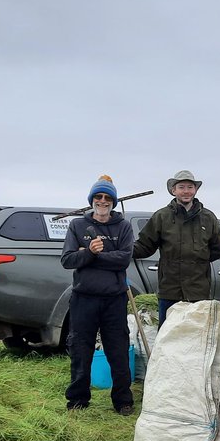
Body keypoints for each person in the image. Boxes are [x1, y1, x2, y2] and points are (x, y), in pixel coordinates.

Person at [60, 175, 135, 414]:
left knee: (118, 350)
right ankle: (77, 400)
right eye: (98, 197)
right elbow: (68, 260)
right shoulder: (77, 226)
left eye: (107, 198)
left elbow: (124, 259)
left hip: (114, 298)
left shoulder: (123, 226)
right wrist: (88, 253)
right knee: (81, 349)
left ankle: (123, 401)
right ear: (92, 199)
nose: (102, 201)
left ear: (113, 202)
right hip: (84, 298)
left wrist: (93, 256)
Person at [133, 169, 220, 325]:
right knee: (167, 336)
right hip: (170, 290)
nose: (186, 191)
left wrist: (196, 262)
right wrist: (120, 249)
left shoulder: (208, 218)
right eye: (181, 187)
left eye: (190, 187)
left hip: (198, 291)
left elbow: (218, 250)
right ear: (173, 190)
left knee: (196, 336)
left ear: (195, 190)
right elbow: (144, 246)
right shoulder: (161, 216)